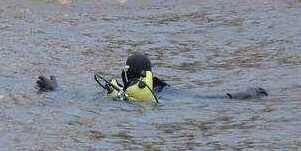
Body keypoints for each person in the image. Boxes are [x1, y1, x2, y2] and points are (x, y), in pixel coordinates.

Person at [37, 53, 268, 101]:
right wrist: (246, 94)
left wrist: (57, 90)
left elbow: (81, 99)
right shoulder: (163, 90)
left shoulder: (118, 93)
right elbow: (206, 98)